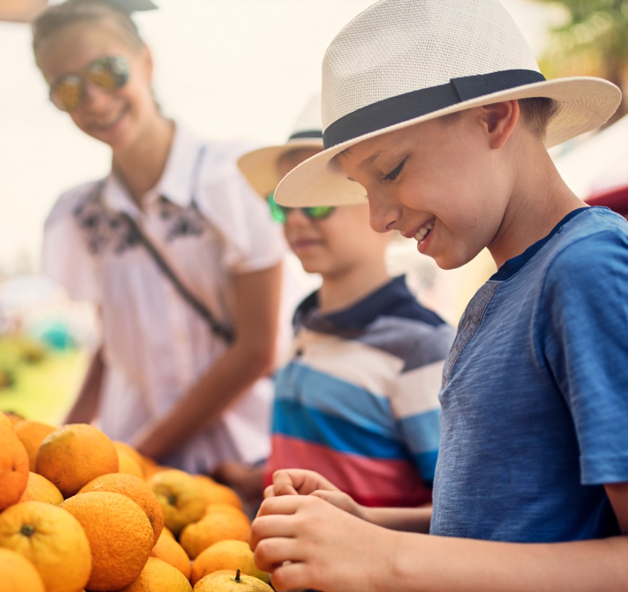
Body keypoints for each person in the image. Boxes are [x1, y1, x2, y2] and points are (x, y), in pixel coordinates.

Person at [249, 1, 628, 591]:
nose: (377, 218)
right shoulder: (500, 291)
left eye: (392, 169)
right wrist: (369, 525)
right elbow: (510, 526)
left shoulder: (586, 269)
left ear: (494, 118)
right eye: (362, 188)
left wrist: (385, 561)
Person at [33, 0, 288, 473]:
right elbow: (111, 346)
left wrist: (142, 453)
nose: (93, 99)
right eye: (66, 90)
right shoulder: (82, 215)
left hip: (238, 461)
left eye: (106, 71)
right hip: (131, 461)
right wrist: (53, 447)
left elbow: (257, 348)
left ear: (146, 62)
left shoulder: (233, 176)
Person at [215, 96, 454, 511]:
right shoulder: (306, 327)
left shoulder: (421, 347)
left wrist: (359, 531)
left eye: (317, 201)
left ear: (385, 204)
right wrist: (257, 479)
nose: (295, 219)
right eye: (282, 203)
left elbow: (456, 507)